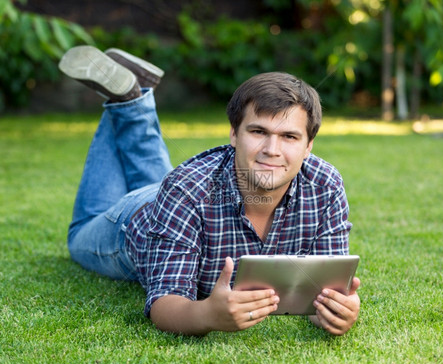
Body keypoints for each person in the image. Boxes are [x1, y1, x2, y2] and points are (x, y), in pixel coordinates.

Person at [59, 46, 361, 336]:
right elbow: (165, 301)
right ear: (233, 133)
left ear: (309, 146)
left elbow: (326, 289)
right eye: (258, 132)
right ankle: (126, 101)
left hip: (174, 202)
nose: (272, 149)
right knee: (79, 236)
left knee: (167, 184)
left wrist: (338, 309)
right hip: (134, 221)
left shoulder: (324, 185)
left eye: (289, 137)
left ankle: (134, 96)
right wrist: (208, 315)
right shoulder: (186, 188)